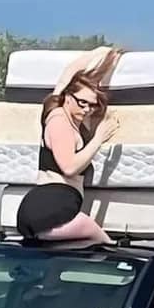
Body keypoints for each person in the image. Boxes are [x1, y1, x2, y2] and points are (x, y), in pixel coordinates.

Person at [16, 46, 122, 243]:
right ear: (67, 97)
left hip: (44, 206)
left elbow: (68, 72)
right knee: (100, 239)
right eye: (82, 103)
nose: (87, 109)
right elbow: (69, 167)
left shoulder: (58, 110)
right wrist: (99, 138)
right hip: (52, 206)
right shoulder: (59, 122)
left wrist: (100, 54)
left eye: (92, 105)